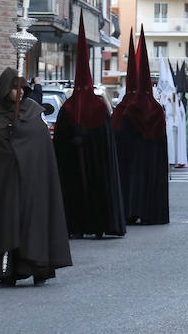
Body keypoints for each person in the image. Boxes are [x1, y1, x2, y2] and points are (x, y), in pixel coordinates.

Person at [0, 68, 72, 287]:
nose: (21, 93)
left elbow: (40, 148)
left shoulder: (34, 112)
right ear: (6, 90)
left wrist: (20, 147)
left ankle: (38, 268)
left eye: (23, 88)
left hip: (31, 182)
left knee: (31, 223)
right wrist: (8, 149)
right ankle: (7, 272)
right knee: (6, 222)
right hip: (4, 183)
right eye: (15, 88)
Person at [53, 15, 125, 239]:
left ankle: (77, 225)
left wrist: (77, 139)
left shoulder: (69, 107)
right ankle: (98, 224)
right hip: (93, 167)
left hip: (78, 166)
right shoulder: (97, 106)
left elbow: (60, 144)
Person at [112, 28, 169, 225]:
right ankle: (149, 210)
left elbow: (115, 136)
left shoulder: (123, 108)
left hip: (129, 163)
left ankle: (128, 210)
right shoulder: (155, 109)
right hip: (148, 164)